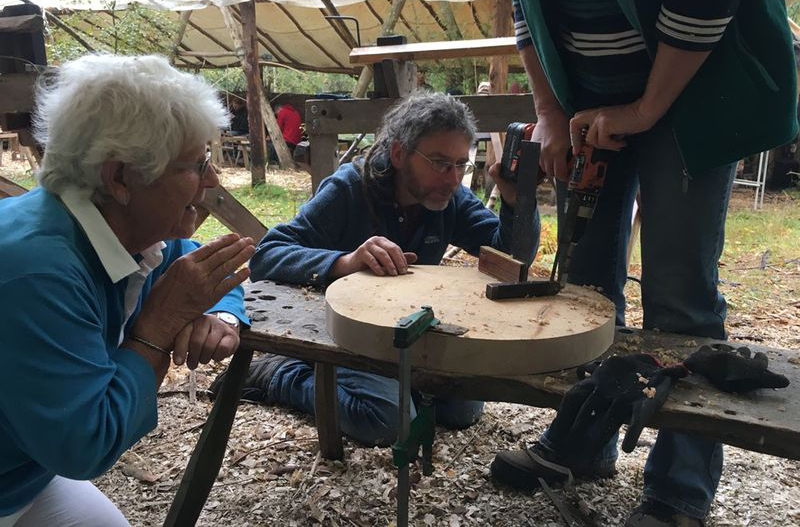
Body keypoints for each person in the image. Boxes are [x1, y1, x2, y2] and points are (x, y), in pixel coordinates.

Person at [493, 0, 798, 527]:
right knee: (585, 291)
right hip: (585, 101)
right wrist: (550, 110)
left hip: (692, 93)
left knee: (679, 299)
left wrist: (645, 109)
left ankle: (680, 491)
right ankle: (584, 441)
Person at [0, 54, 256, 526]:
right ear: (119, 177)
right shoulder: (36, 272)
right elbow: (87, 446)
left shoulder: (117, 225)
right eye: (196, 164)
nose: (213, 180)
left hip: (25, 474)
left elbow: (194, 262)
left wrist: (219, 313)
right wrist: (160, 323)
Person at [214, 92, 540, 446]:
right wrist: (345, 263)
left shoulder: (451, 199)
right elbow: (268, 255)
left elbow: (512, 261)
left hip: (408, 332)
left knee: (463, 410)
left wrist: (516, 201)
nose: (452, 179)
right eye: (440, 163)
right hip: (345, 334)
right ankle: (279, 373)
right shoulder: (350, 188)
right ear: (399, 154)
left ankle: (400, 388)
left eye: (461, 164)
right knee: (388, 423)